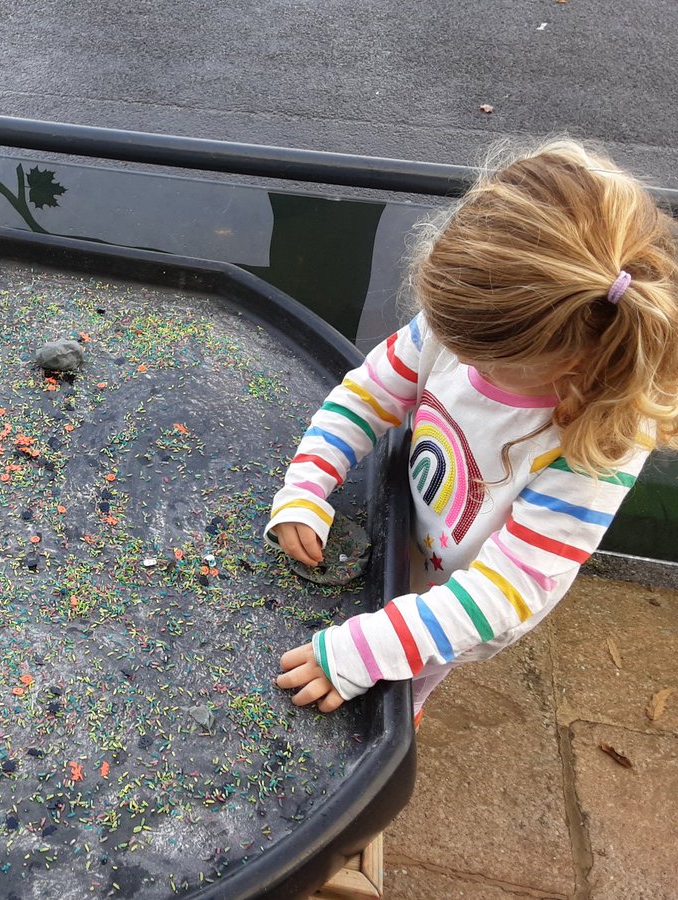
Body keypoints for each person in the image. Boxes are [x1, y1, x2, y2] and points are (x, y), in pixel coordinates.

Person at [265, 139, 678, 724]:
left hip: (461, 607)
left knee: (394, 697)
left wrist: (371, 651)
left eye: (475, 357)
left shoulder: (597, 441)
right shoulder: (465, 319)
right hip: (408, 536)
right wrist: (307, 487)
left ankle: (407, 712)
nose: (447, 352)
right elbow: (367, 394)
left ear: (565, 362)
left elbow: (506, 592)